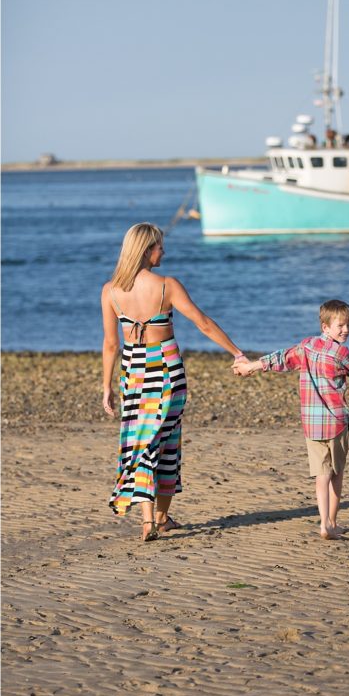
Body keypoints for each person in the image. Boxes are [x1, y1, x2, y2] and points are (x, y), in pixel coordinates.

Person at [101, 222, 247, 542]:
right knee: (167, 444)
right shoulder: (167, 286)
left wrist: (106, 387)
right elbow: (203, 323)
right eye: (159, 247)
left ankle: (147, 520)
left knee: (141, 444)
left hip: (133, 374)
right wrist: (237, 353)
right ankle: (161, 516)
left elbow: (111, 344)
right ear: (145, 249)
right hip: (167, 371)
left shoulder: (110, 290)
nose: (163, 252)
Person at [233, 300, 349, 540]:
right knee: (337, 473)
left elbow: (280, 358)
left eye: (348, 325)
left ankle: (324, 523)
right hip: (336, 422)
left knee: (321, 474)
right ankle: (333, 523)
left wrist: (251, 366)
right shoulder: (342, 353)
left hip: (312, 423)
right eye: (341, 326)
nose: (346, 330)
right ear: (325, 327)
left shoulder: (307, 345)